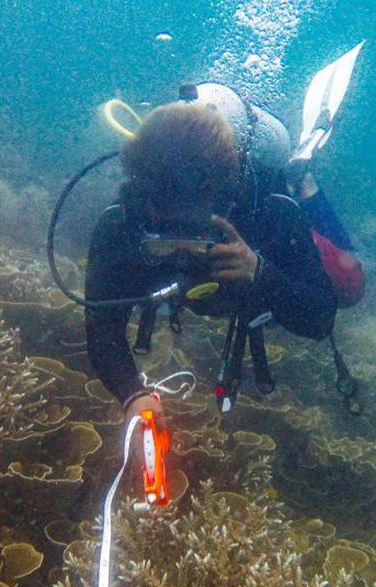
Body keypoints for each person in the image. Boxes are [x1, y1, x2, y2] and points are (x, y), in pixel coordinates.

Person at [84, 88, 362, 426]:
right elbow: (102, 326)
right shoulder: (124, 219)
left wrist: (261, 272)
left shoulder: (267, 212)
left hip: (269, 261)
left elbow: (319, 321)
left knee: (349, 284)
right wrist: (132, 393)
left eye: (194, 230)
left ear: (223, 199)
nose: (182, 246)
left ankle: (303, 178)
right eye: (165, 229)